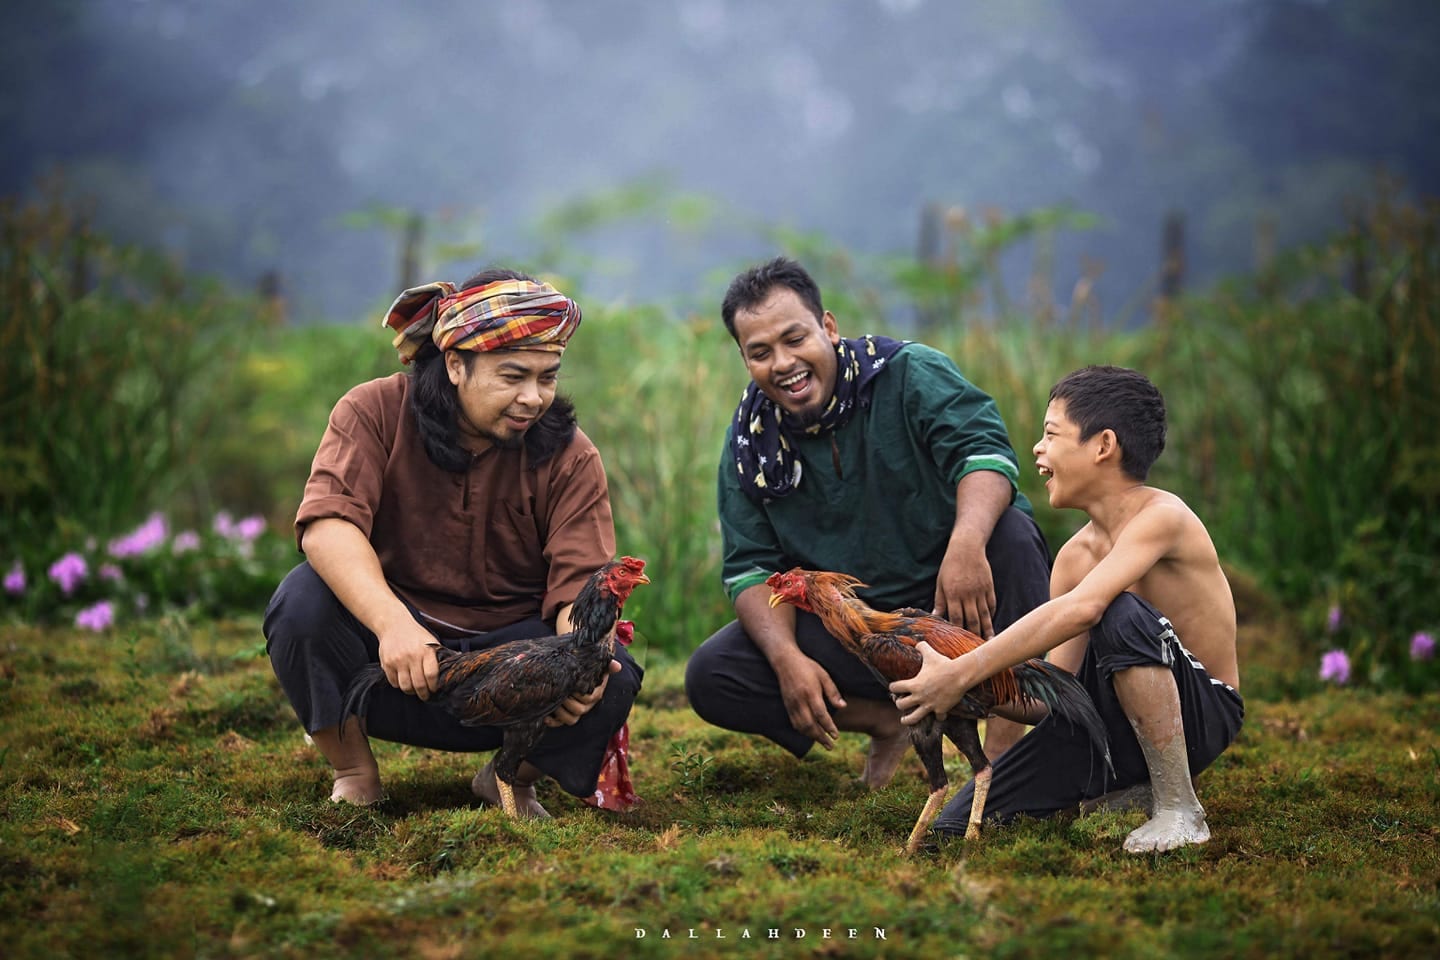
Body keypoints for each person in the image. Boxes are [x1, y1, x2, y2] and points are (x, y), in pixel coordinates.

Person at [264, 267, 641, 817]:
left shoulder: (570, 454)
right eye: (513, 376)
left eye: (547, 377)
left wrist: (579, 668)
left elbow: (576, 591)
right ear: (456, 364)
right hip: (394, 665)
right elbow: (328, 525)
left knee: (613, 671)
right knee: (301, 604)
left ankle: (509, 776)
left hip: (514, 672)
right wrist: (393, 624)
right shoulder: (372, 412)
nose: (533, 398)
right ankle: (354, 772)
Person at [684, 256, 1052, 788]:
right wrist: (788, 657)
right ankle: (889, 720)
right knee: (715, 674)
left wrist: (966, 544)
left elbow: (984, 456)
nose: (783, 363)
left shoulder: (908, 373)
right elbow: (750, 567)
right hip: (855, 630)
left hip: (955, 603)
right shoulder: (749, 443)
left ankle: (1001, 759)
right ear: (744, 359)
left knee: (1011, 536)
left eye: (795, 339)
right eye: (760, 353)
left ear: (828, 327)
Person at [891, 365, 1244, 853]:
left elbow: (1085, 609)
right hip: (1108, 723)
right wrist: (962, 688)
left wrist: (963, 670)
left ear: (1103, 445)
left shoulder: (1164, 517)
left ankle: (1178, 805)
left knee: (1119, 614)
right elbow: (1055, 697)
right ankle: (1130, 789)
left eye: (1050, 434)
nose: (1037, 448)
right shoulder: (1075, 557)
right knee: (952, 833)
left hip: (1202, 713)